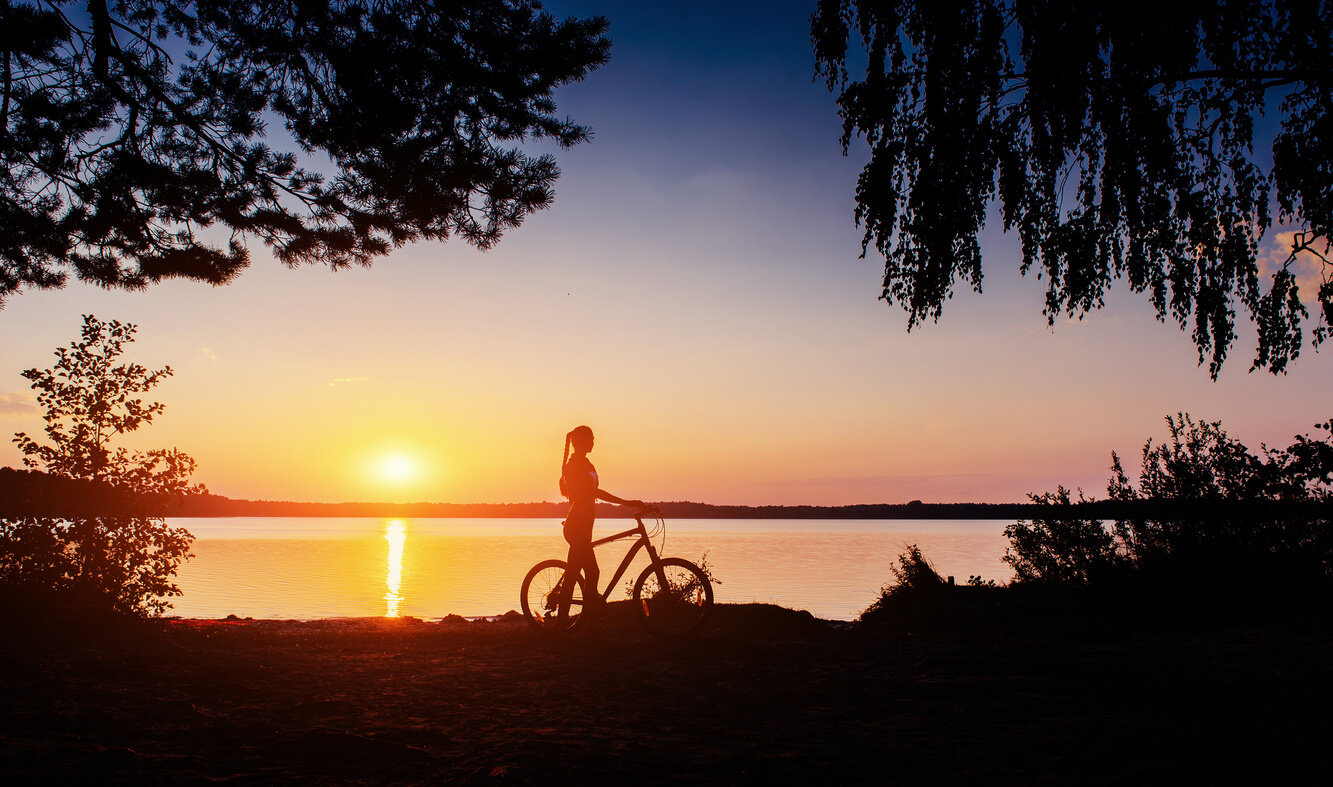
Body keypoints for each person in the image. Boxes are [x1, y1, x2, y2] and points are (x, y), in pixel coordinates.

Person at [558, 425, 644, 621]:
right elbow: (592, 492)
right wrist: (626, 502)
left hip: (585, 524)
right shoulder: (574, 466)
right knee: (590, 572)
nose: (593, 442)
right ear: (580, 442)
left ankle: (573, 624)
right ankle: (584, 622)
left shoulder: (588, 464)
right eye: (590, 438)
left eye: (594, 438)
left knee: (575, 575)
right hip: (577, 525)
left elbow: (591, 492)